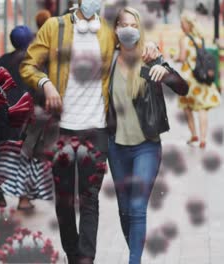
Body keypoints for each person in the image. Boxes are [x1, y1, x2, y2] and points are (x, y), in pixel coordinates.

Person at [20, 0, 160, 263]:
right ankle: (73, 254)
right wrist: (46, 83)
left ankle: (85, 259)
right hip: (61, 129)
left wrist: (152, 46)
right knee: (64, 201)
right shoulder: (54, 27)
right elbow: (28, 64)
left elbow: (133, 41)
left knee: (89, 199)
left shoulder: (108, 32)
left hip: (96, 129)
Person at [107, 7, 189, 264]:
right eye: (124, 24)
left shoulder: (149, 57)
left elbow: (182, 87)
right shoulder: (108, 61)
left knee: (137, 207)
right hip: (116, 146)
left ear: (139, 28)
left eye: (134, 24)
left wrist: (165, 72)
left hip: (147, 146)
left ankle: (134, 261)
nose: (129, 29)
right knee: (124, 210)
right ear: (116, 29)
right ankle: (135, 250)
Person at [0, 25, 53, 210]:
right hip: (25, 119)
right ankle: (24, 200)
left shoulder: (2, 61)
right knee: (26, 159)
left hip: (0, 117)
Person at [176, 11, 221, 149]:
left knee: (187, 107)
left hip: (188, 78)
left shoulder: (184, 39)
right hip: (201, 77)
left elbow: (182, 58)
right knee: (202, 109)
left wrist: (174, 57)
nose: (181, 26)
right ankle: (203, 139)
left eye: (182, 23)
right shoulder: (200, 38)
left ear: (187, 24)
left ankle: (194, 135)